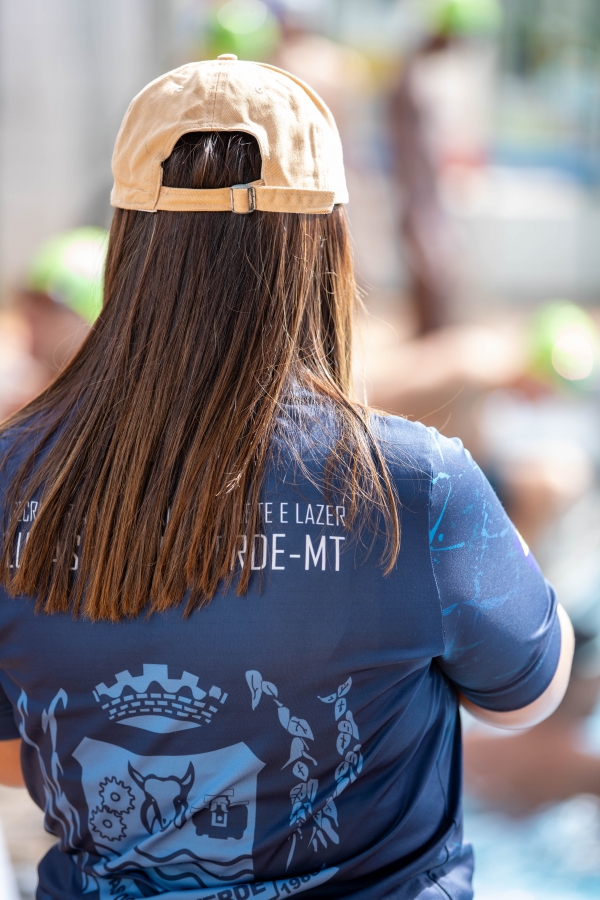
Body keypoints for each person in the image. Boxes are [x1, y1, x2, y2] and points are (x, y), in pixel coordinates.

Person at [0, 56, 574, 900]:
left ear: (125, 241)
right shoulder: (415, 483)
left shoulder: (13, 475)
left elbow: (17, 749)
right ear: (329, 244)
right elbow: (525, 700)